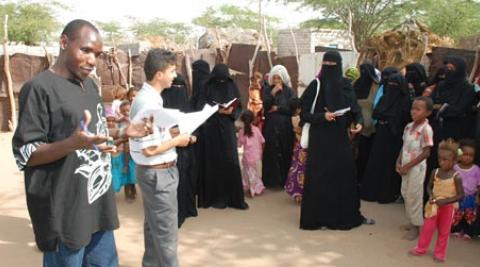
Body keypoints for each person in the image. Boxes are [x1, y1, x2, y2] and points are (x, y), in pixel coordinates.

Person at [11, 19, 151, 267]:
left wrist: (123, 131)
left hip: (98, 206)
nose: (91, 60)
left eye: (96, 54)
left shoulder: (90, 87)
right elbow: (26, 153)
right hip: (65, 213)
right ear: (64, 42)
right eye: (85, 50)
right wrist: (71, 144)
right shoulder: (39, 88)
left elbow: (93, 135)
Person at [129, 48, 193, 267]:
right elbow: (149, 149)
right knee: (166, 234)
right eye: (172, 71)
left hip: (153, 172)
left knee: (154, 228)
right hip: (158, 173)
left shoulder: (149, 98)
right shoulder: (147, 103)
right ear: (159, 74)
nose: (175, 75)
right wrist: (178, 141)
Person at [299, 51, 373, 230]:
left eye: (333, 65)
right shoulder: (315, 86)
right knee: (319, 178)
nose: (330, 69)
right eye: (327, 65)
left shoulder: (346, 85)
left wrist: (359, 123)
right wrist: (322, 116)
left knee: (344, 176)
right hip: (320, 140)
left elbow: (355, 109)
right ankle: (317, 218)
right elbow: (304, 114)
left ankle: (346, 215)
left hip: (340, 140)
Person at [196, 64, 249, 210]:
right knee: (212, 162)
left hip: (227, 128)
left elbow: (239, 105)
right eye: (218, 81)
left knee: (230, 161)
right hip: (210, 129)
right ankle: (212, 198)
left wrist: (231, 111)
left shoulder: (232, 85)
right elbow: (200, 105)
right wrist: (216, 110)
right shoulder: (206, 86)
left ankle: (233, 198)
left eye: (223, 81)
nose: (221, 83)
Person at [410, 139, 464, 263]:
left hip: (447, 208)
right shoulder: (435, 172)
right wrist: (430, 196)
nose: (441, 162)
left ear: (454, 161)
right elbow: (428, 186)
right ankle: (420, 248)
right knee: (427, 228)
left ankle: (440, 253)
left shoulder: (457, 176)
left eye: (445, 160)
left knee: (444, 231)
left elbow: (461, 195)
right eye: (440, 158)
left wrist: (446, 201)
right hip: (433, 205)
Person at [361, 74, 411, 203]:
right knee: (376, 162)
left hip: (394, 136)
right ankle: (370, 192)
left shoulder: (405, 101)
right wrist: (388, 116)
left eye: (395, 85)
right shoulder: (384, 98)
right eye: (390, 84)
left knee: (389, 165)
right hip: (381, 134)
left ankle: (385, 194)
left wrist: (387, 117)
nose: (392, 87)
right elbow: (376, 113)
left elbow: (403, 118)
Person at [161, 74, 199, 227]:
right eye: (174, 87)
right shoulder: (160, 108)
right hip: (168, 153)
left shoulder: (188, 106)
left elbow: (197, 127)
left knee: (187, 178)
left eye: (181, 87)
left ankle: (188, 208)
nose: (178, 91)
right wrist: (170, 133)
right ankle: (174, 214)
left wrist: (193, 137)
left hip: (187, 150)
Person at [396, 96, 434, 240]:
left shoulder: (426, 129)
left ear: (428, 113)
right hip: (405, 166)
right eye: (413, 108)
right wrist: (398, 162)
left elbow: (426, 152)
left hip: (416, 168)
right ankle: (411, 220)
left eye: (418, 109)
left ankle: (416, 227)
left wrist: (408, 166)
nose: (414, 111)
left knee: (415, 195)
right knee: (405, 192)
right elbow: (403, 146)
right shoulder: (408, 126)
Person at [262, 65, 296, 188]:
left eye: (279, 78)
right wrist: (272, 93)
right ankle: (270, 181)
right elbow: (266, 107)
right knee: (271, 151)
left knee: (284, 151)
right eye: (274, 78)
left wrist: (278, 108)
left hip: (285, 128)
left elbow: (291, 109)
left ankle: (284, 181)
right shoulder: (267, 90)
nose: (276, 81)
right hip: (270, 127)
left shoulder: (289, 91)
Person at [354, 61, 381, 180]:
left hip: (371, 127)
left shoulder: (376, 87)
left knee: (365, 155)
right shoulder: (354, 85)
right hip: (354, 127)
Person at [451, 139, 480, 239]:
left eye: (471, 155)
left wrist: (477, 197)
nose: (467, 157)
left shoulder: (476, 169)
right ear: (460, 154)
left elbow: (478, 185)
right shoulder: (455, 168)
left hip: (471, 198)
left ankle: (468, 232)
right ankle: (456, 230)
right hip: (457, 197)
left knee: (470, 216)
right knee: (457, 215)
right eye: (465, 154)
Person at [237, 110, 266, 197]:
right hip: (257, 156)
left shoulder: (241, 131)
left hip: (247, 157)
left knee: (247, 173)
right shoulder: (256, 130)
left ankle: (249, 187)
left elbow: (239, 145)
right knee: (256, 173)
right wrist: (261, 152)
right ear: (253, 119)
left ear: (242, 120)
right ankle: (256, 188)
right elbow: (263, 141)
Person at [284, 98, 306, 203]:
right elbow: (300, 133)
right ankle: (301, 194)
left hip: (298, 146)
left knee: (297, 169)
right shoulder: (299, 118)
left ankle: (297, 194)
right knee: (302, 170)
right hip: (304, 146)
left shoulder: (294, 118)